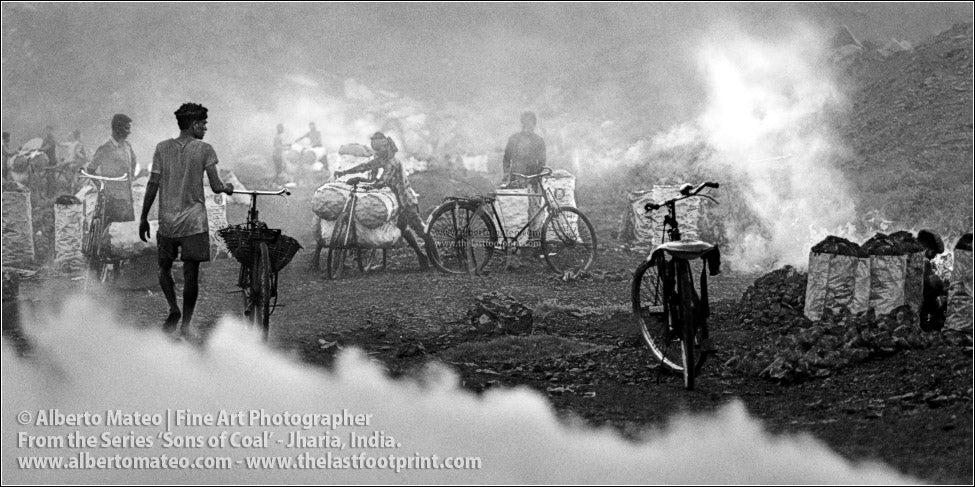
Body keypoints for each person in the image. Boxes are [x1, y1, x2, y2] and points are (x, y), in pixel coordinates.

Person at [138, 103, 233, 337]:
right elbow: (216, 186)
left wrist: (143, 217)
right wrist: (228, 188)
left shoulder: (162, 148)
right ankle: (187, 325)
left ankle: (173, 308)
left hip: (167, 222)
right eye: (204, 124)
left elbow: (152, 183)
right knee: (192, 275)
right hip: (194, 223)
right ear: (194, 125)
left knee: (164, 267)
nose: (205, 129)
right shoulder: (205, 149)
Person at [333, 132, 434, 271]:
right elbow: (365, 166)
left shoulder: (392, 162)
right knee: (404, 229)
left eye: (378, 149)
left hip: (406, 201)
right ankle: (422, 256)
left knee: (422, 231)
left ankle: (435, 260)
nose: (376, 152)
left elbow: (382, 181)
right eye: (375, 150)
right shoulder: (383, 159)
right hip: (396, 201)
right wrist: (345, 172)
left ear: (385, 147)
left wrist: (360, 180)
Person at [86, 114, 137, 224]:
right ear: (117, 128)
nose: (129, 132)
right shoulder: (105, 148)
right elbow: (90, 170)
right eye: (126, 128)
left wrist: (131, 177)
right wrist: (101, 186)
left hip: (127, 199)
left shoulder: (127, 146)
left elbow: (133, 161)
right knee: (110, 233)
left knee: (126, 233)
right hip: (111, 200)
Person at [501, 111, 546, 188]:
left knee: (531, 199)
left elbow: (542, 162)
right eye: (525, 123)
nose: (527, 127)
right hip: (515, 179)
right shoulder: (514, 139)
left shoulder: (539, 141)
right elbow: (506, 159)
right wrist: (506, 173)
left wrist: (534, 176)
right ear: (522, 124)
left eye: (530, 124)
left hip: (532, 180)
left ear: (534, 125)